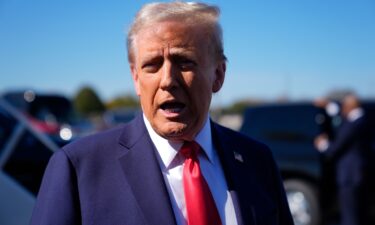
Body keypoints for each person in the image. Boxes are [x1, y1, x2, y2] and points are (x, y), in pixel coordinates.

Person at [30, 2, 293, 225]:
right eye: (152, 65)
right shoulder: (78, 168)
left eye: (184, 61)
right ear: (135, 78)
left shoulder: (257, 161)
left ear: (218, 74)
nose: (167, 80)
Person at [314, 94, 371, 225]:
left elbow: (336, 148)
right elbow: (339, 114)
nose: (342, 109)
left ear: (349, 107)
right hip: (359, 174)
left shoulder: (353, 124)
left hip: (350, 176)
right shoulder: (362, 119)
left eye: (343, 106)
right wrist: (329, 105)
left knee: (350, 214)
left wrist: (323, 145)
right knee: (360, 212)